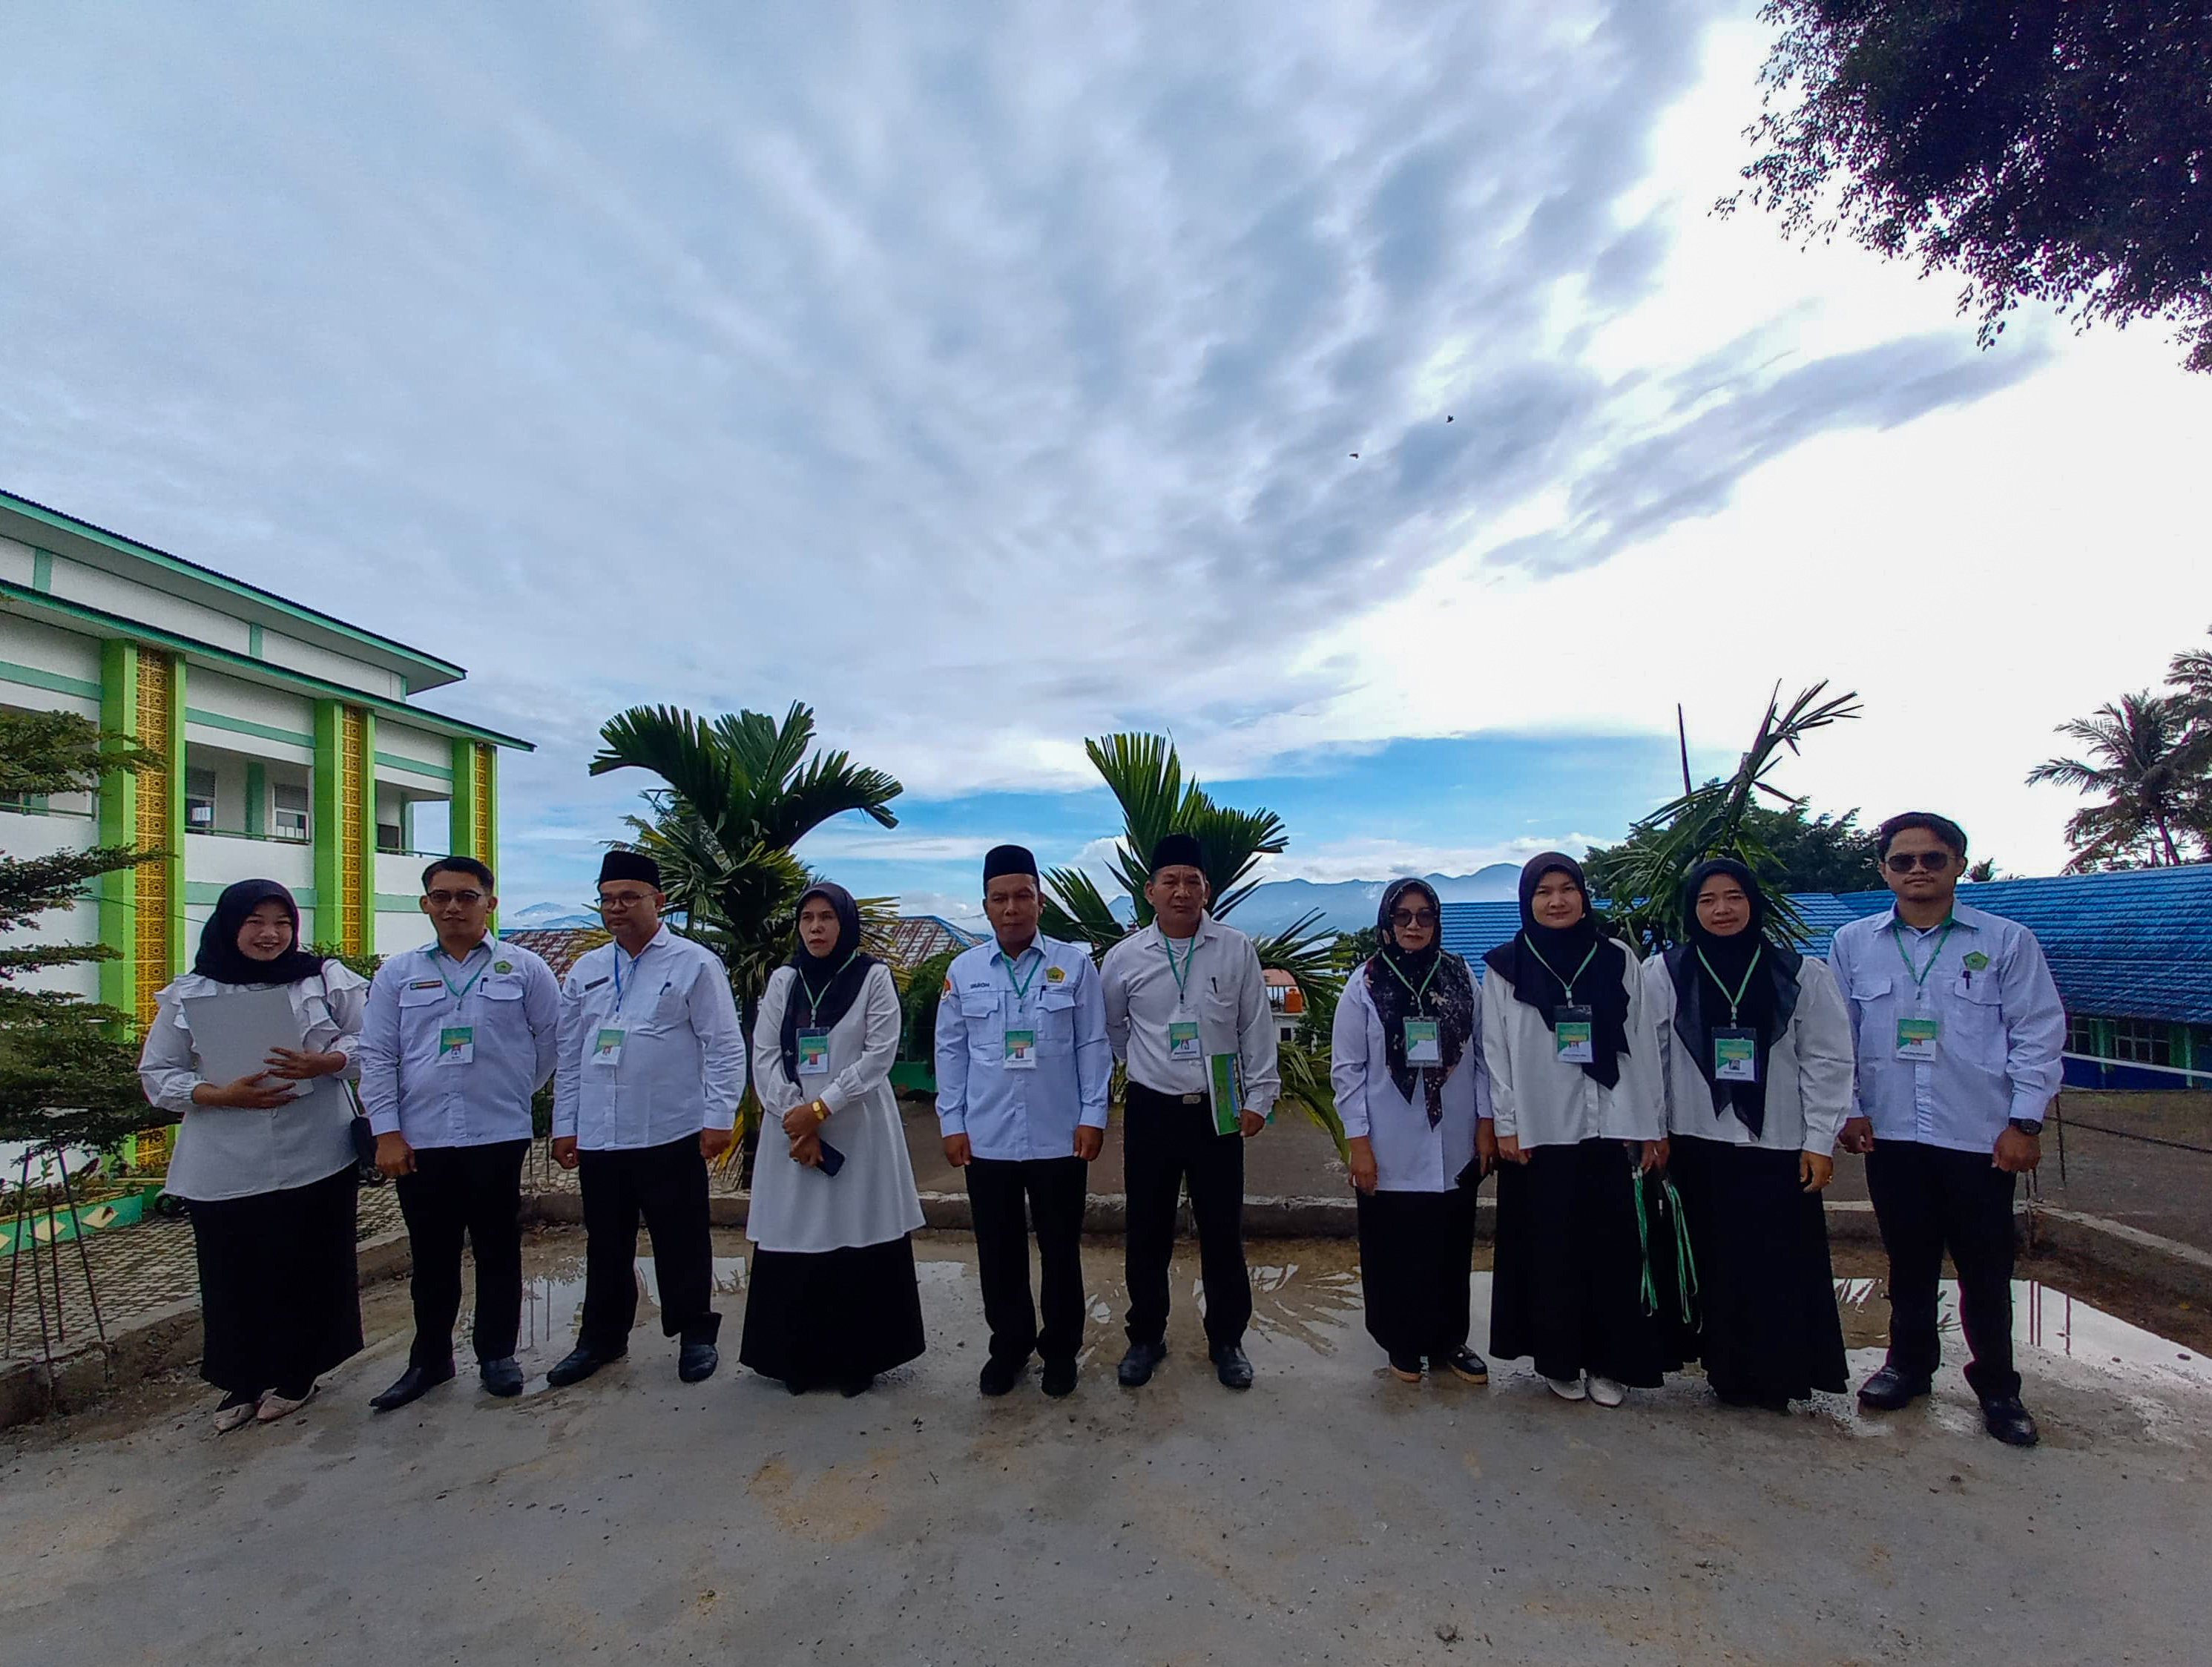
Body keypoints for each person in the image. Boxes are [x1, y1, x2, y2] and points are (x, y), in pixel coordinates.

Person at [1831, 812, 2064, 1447]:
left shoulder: (2006, 941)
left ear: (1959, 865)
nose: (1917, 870)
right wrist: (1849, 1108)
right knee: (1908, 1261)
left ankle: (1998, 1387)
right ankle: (1908, 1366)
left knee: (1986, 1268)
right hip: (1892, 1132)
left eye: (1932, 858)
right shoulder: (1853, 942)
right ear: (1884, 870)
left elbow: (2037, 1032)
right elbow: (1840, 1032)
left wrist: (2024, 1122)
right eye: (1902, 860)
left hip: (1978, 1136)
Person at [137, 879, 369, 1432]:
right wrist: (216, 1094)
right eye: (256, 922)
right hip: (226, 1156)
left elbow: (375, 1043)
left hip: (316, 1148)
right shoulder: (191, 992)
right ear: (229, 926)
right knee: (232, 1271)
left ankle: (299, 1372)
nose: (271, 934)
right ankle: (240, 1379)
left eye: (282, 922)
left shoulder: (324, 979)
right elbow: (158, 1074)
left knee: (310, 1264)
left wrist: (327, 1062)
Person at [1645, 858, 1852, 1411]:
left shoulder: (1800, 973)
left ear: (1753, 903)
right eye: (1707, 900)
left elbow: (1828, 1060)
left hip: (1778, 1145)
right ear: (1691, 909)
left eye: (1734, 897)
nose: (1722, 910)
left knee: (1775, 1264)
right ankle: (1726, 1369)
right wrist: (1654, 1130)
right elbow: (1651, 1057)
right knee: (1713, 1262)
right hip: (1696, 1141)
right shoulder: (1666, 972)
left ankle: (1780, 1375)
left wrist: (1819, 1140)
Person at [358, 856, 560, 1410]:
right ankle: (430, 1360)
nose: (453, 907)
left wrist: (513, 1090)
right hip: (421, 1137)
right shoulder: (398, 973)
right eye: (442, 896)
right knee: (432, 1256)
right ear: (425, 904)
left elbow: (551, 1042)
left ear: (489, 904)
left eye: (467, 896)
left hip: (497, 1132)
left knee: (498, 1248)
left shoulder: (524, 968)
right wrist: (386, 1132)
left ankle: (497, 1354)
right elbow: (377, 1055)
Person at [547, 851, 745, 1388]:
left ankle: (695, 1333)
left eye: (629, 897)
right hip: (601, 1133)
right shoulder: (586, 970)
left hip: (670, 1129)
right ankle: (602, 1339)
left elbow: (724, 1046)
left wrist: (719, 1117)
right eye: (607, 899)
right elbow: (571, 1053)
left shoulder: (694, 963)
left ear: (658, 900)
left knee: (681, 1238)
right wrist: (565, 1125)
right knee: (605, 1242)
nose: (617, 908)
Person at [1480, 853, 1671, 1407]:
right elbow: (1495, 1051)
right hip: (1540, 1130)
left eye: (1568, 889)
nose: (1557, 901)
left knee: (1613, 1251)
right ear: (1528, 901)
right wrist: (1508, 1124)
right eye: (1544, 892)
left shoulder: (1617, 957)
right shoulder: (1505, 967)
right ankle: (1558, 1358)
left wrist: (1652, 1124)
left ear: (1584, 897)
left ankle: (1609, 1362)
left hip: (1613, 1127)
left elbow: (1644, 1041)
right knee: (1551, 1253)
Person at [1099, 832, 1279, 1391]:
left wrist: (1260, 1097)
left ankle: (1227, 1339)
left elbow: (1255, 1026)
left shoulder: (1235, 949)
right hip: (1152, 1109)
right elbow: (1112, 1027)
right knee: (1146, 1230)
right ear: (1150, 890)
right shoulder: (1124, 958)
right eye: (1170, 881)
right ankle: (1145, 1337)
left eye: (1192, 881)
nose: (1181, 891)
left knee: (1223, 1231)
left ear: (1207, 889)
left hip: (1218, 1106)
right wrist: (1144, 1064)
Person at [935, 846, 1111, 1397]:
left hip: (1060, 1135)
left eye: (1022, 896)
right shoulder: (963, 972)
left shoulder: (1074, 965)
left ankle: (1060, 1350)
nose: (1011, 908)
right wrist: (951, 1122)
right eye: (999, 898)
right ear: (986, 905)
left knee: (1060, 1249)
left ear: (1040, 900)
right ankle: (1009, 1347)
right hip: (987, 1137)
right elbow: (950, 1051)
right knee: (998, 1251)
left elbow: (1092, 1044)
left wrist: (1093, 1115)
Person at [743, 882, 926, 1395]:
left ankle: (857, 1360)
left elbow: (879, 1054)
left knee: (855, 1232)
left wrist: (821, 1108)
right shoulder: (784, 979)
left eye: (827, 917)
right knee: (797, 1234)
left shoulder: (872, 977)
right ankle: (797, 1360)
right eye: (807, 918)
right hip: (791, 1129)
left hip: (857, 1126)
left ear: (844, 924)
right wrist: (794, 1116)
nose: (816, 927)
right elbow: (764, 1053)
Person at [1332, 878, 1494, 1384]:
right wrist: (1358, 1143)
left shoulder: (1461, 975)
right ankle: (1400, 1341)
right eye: (1403, 916)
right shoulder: (1365, 982)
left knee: (1450, 1242)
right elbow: (1347, 1071)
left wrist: (1486, 1123)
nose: (1414, 925)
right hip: (1390, 1138)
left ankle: (1449, 1340)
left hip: (1455, 1136)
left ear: (1436, 921)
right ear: (1387, 922)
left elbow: (1485, 1056)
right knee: (1394, 1246)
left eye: (1424, 915)